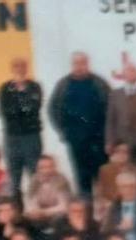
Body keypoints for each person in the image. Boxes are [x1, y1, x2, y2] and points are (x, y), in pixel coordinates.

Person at [48, 52, 110, 197]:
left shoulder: (99, 83)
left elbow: (111, 109)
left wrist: (108, 135)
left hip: (99, 140)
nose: (79, 66)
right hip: (76, 140)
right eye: (76, 63)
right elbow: (53, 109)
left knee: (102, 178)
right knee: (82, 178)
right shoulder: (63, 84)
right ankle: (86, 209)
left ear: (88, 64)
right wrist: (62, 132)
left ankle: (104, 210)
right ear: (72, 65)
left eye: (83, 63)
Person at [0, 57, 44, 199]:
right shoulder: (5, 89)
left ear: (26, 68)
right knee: (14, 179)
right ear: (12, 69)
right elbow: (5, 112)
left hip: (32, 137)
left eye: (22, 66)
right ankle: (16, 209)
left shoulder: (34, 87)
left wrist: (18, 103)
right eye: (16, 66)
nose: (19, 69)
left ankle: (36, 208)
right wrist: (23, 105)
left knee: (35, 176)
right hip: (12, 138)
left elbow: (34, 108)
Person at [95, 142, 136, 221]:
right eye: (118, 151)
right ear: (113, 154)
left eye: (125, 152)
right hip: (111, 207)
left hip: (132, 206)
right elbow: (101, 193)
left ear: (129, 155)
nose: (121, 154)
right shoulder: (105, 170)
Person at [23, 155, 73, 229]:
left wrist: (44, 212)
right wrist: (35, 211)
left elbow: (64, 206)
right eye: (42, 167)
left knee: (61, 218)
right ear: (38, 169)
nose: (47, 170)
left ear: (55, 167)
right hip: (40, 215)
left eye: (50, 166)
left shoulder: (62, 180)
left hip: (56, 215)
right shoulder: (34, 181)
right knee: (25, 219)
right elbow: (30, 203)